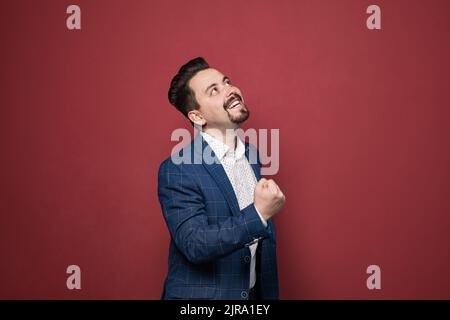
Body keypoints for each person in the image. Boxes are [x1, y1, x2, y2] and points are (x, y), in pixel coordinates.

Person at [158, 57, 285, 300]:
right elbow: (195, 244)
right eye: (214, 90)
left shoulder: (252, 155)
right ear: (197, 116)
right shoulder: (177, 169)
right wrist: (259, 214)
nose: (230, 90)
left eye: (226, 82)